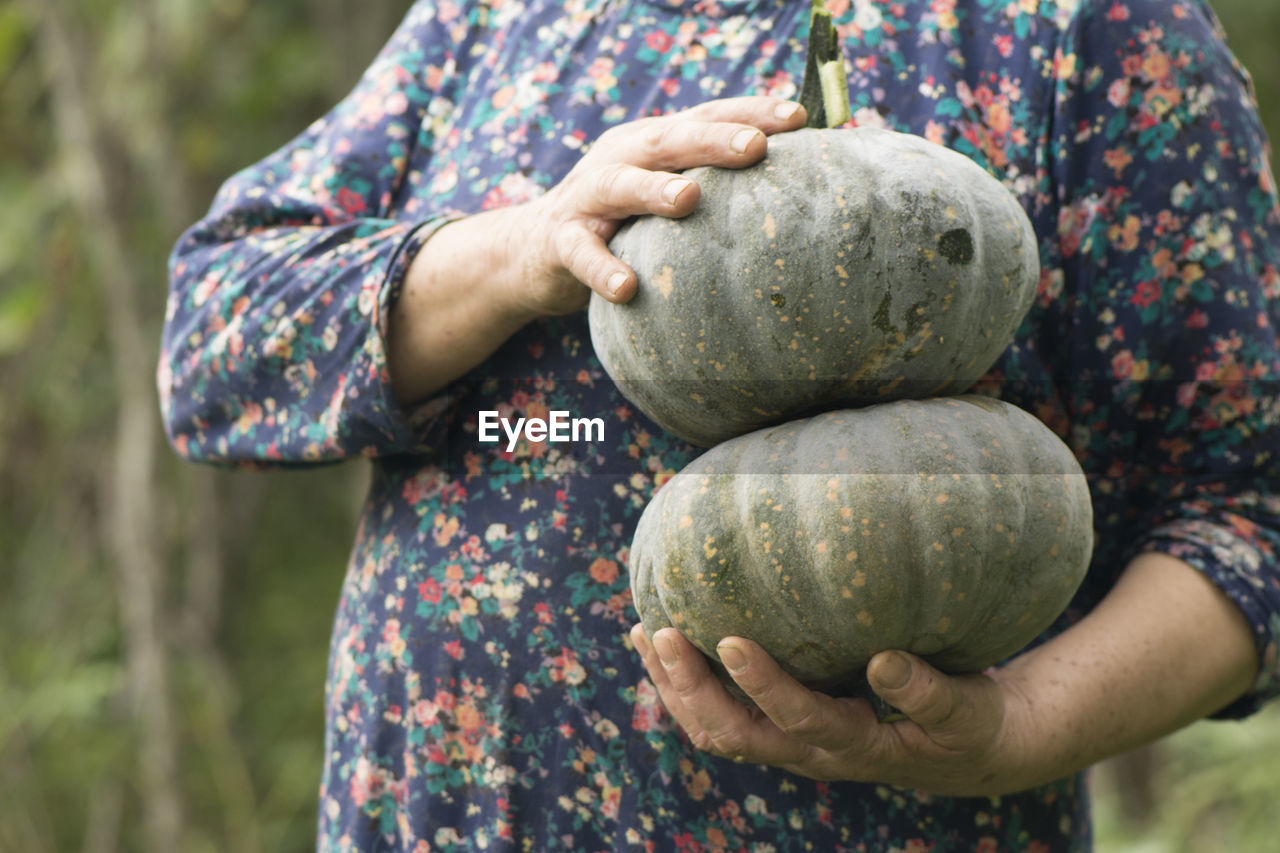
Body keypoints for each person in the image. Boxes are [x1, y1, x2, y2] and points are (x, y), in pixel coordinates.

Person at [159, 0, 1280, 848]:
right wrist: (518, 250)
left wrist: (1016, 728)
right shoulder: (500, 18)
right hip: (434, 814)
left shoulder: (1080, 31)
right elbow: (211, 345)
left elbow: (1248, 511)